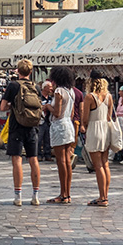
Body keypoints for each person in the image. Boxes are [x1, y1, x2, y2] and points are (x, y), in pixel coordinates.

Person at [0, 59, 41, 207]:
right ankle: (35, 195)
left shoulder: (13, 86)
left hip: (16, 126)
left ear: (18, 71)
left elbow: (3, 107)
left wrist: (13, 105)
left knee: (17, 160)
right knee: (33, 159)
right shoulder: (36, 87)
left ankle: (18, 196)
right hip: (33, 126)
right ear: (30, 72)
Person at [82, 75, 114, 206]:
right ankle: (105, 195)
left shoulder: (90, 97)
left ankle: (102, 197)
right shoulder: (109, 96)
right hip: (105, 129)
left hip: (94, 129)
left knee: (98, 165)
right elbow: (109, 116)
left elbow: (85, 118)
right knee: (105, 163)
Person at [47, 66, 75, 204]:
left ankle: (63, 193)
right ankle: (67, 193)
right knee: (67, 160)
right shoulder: (71, 92)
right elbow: (71, 113)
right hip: (68, 124)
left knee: (61, 161)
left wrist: (47, 107)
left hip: (59, 125)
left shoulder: (59, 91)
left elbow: (57, 112)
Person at [38, 81, 54, 162]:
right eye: (49, 87)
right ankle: (38, 155)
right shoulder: (39, 97)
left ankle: (47, 154)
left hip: (48, 120)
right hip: (40, 120)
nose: (51, 89)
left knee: (47, 138)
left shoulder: (51, 99)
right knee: (39, 138)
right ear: (45, 88)